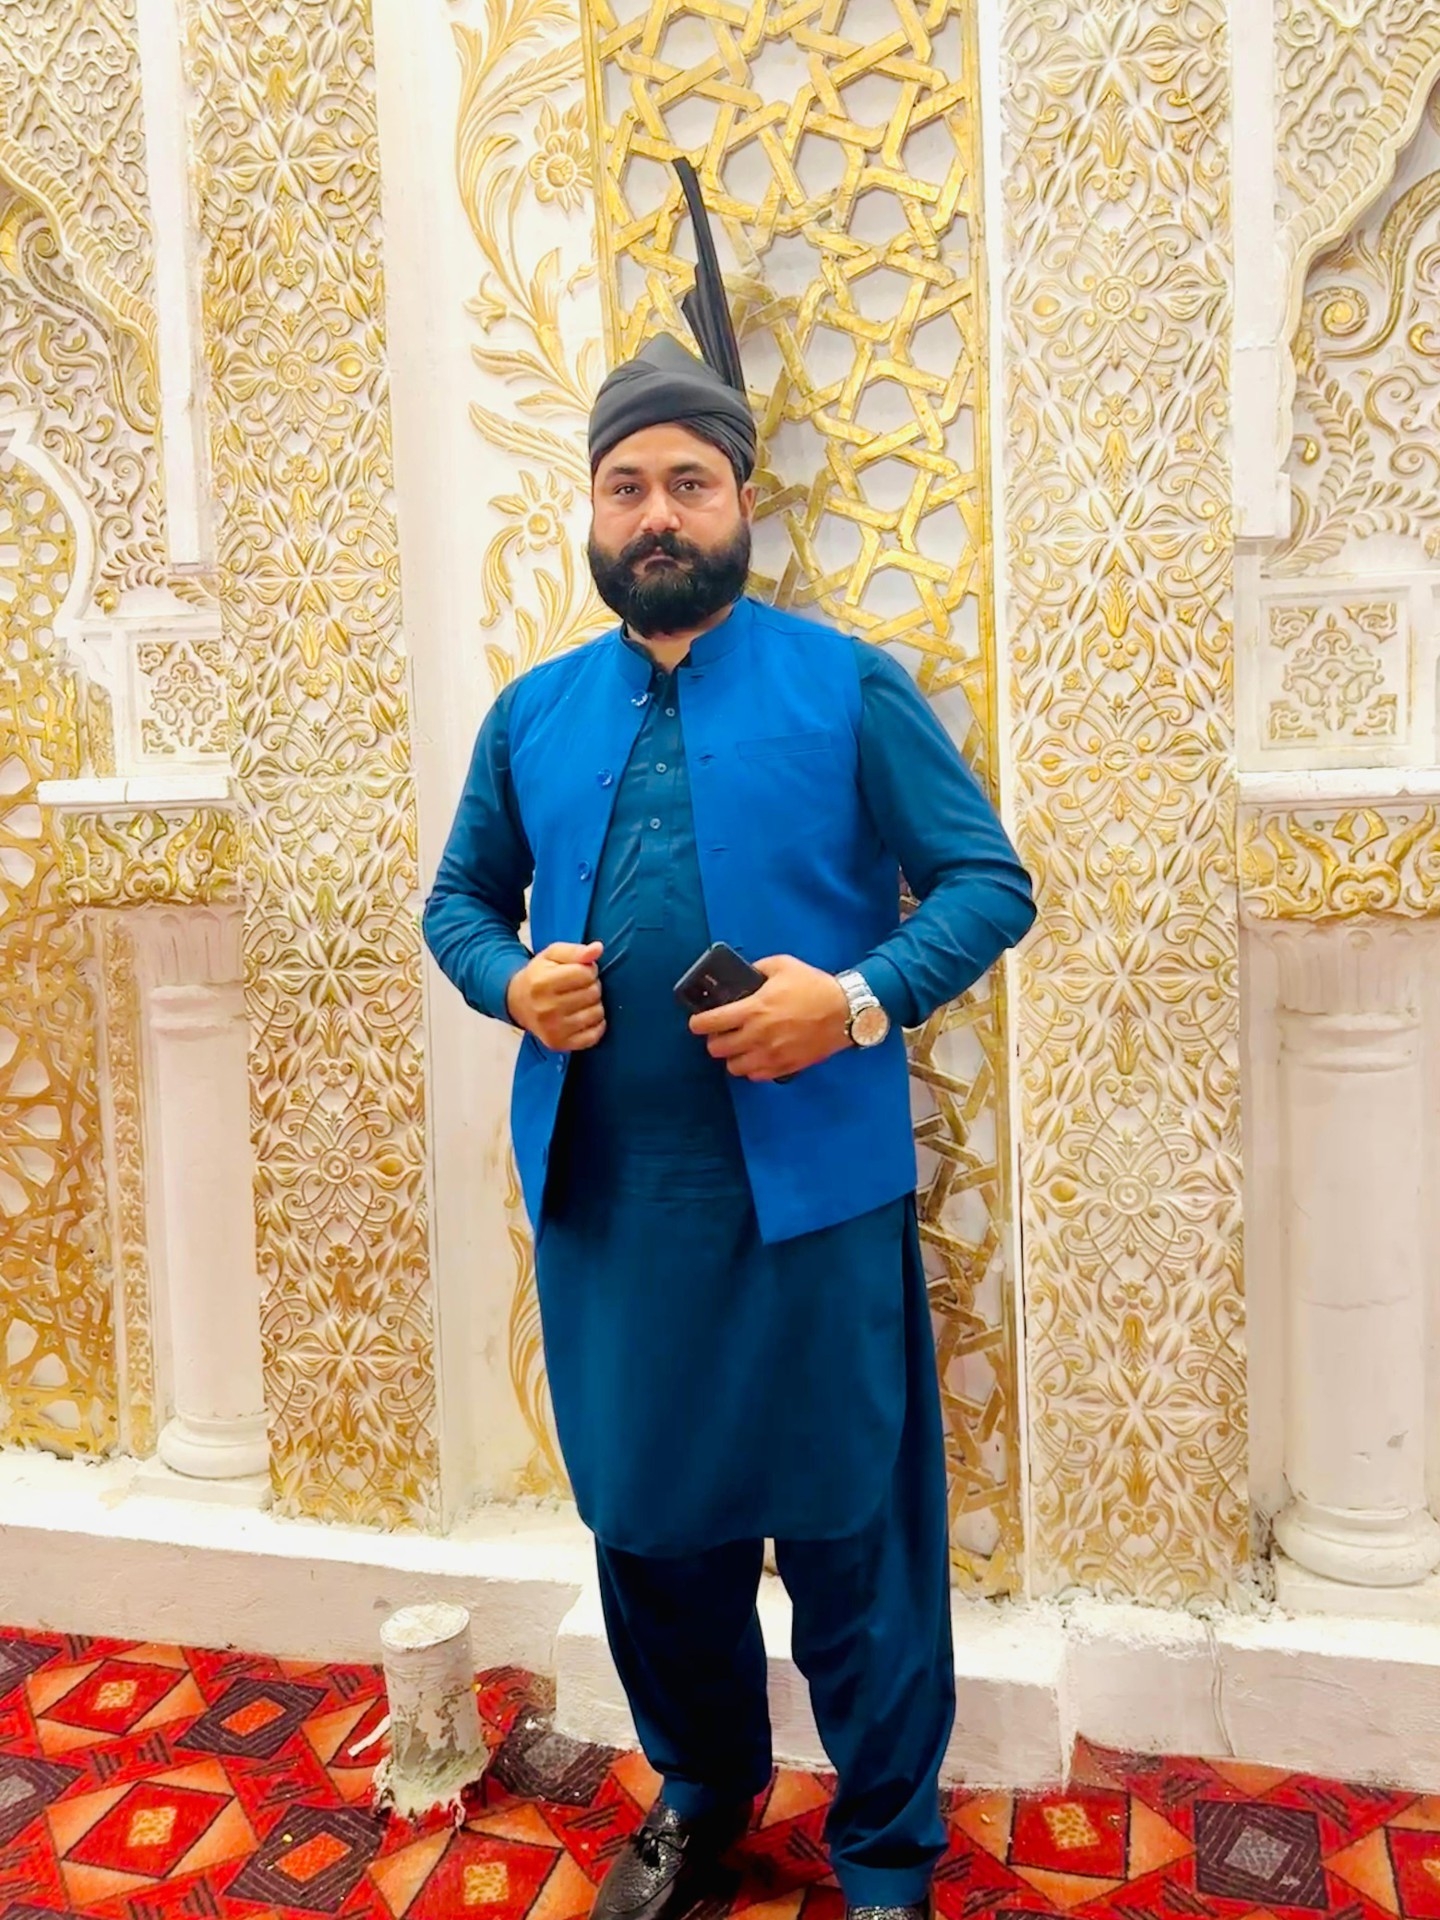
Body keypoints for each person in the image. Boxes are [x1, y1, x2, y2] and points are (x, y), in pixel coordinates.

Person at [424, 160, 1036, 1920]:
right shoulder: (533, 712)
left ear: (743, 500)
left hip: (813, 1206)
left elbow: (986, 886)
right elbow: (458, 902)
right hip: (616, 1213)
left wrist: (851, 1000)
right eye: (626, 484)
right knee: (651, 1536)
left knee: (855, 1541)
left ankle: (888, 1855)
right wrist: (508, 982)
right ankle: (700, 1801)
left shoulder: (845, 683)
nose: (657, 512)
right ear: (591, 511)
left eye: (689, 480)